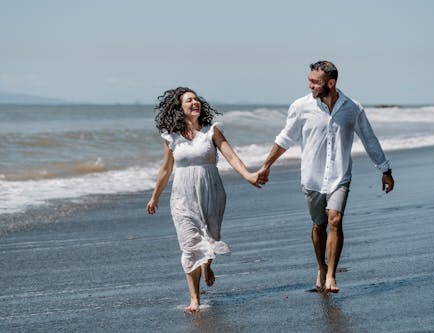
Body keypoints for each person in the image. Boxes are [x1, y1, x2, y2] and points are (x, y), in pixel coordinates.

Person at [257, 60, 395, 293]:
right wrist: (266, 165)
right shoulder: (301, 107)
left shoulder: (353, 108)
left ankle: (331, 275)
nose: (310, 85)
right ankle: (321, 267)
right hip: (311, 177)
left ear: (331, 83)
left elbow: (369, 139)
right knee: (319, 225)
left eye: (315, 82)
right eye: (309, 80)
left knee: (335, 220)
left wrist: (385, 170)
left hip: (340, 175)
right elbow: (285, 139)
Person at [146, 87, 261, 312]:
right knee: (189, 245)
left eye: (196, 99)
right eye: (189, 100)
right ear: (180, 108)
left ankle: (207, 266)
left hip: (212, 192)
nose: (194, 102)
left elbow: (230, 156)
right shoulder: (171, 137)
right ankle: (195, 298)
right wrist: (154, 197)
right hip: (182, 196)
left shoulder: (212, 131)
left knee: (210, 236)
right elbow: (165, 169)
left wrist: (248, 175)